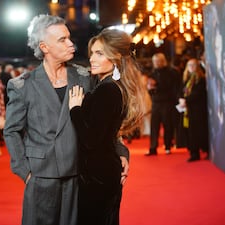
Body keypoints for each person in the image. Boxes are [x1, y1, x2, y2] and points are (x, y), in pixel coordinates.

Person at [3, 14, 129, 225]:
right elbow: (11, 131)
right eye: (62, 40)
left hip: (78, 176)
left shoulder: (84, 77)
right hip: (41, 178)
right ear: (44, 47)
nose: (71, 44)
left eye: (69, 38)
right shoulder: (23, 86)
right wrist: (24, 172)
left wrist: (121, 151)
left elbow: (103, 123)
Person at [68, 28, 146, 225]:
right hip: (102, 172)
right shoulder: (110, 86)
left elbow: (90, 139)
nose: (92, 59)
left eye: (99, 53)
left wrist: (75, 109)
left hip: (98, 176)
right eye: (92, 53)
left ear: (116, 57)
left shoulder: (107, 90)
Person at [145, 53, 181, 155]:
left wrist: (156, 87)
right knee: (154, 126)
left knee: (167, 125)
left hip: (167, 102)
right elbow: (150, 89)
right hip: (156, 102)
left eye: (158, 61)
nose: (156, 63)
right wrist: (150, 89)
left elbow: (171, 87)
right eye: (155, 61)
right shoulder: (153, 73)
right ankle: (153, 148)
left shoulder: (170, 72)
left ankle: (167, 146)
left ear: (163, 61)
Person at [177, 58, 209, 162]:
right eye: (189, 65)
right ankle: (193, 152)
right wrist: (181, 99)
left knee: (199, 131)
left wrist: (186, 100)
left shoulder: (201, 79)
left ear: (197, 67)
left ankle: (204, 150)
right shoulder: (186, 79)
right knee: (189, 131)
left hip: (197, 110)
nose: (191, 67)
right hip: (187, 110)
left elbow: (199, 93)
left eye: (193, 65)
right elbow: (181, 91)